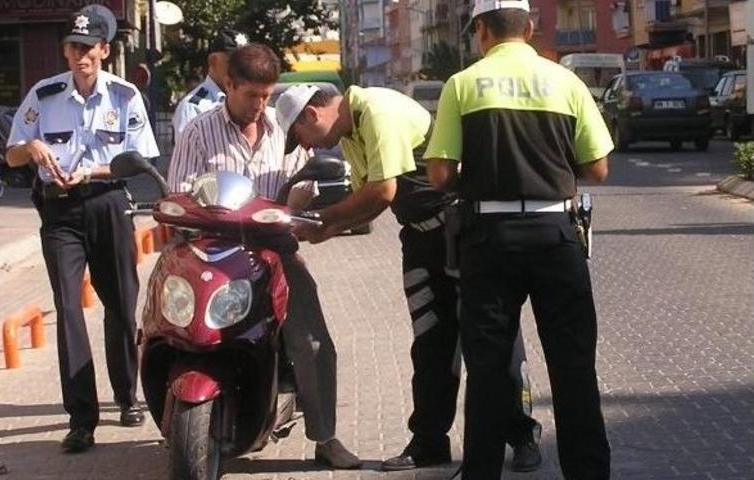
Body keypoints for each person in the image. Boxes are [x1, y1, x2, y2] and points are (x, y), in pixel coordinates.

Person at [275, 83, 543, 473]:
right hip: (420, 238)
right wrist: (324, 229)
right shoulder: (351, 132)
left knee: (493, 337)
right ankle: (429, 442)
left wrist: (325, 222)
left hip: (463, 234)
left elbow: (383, 191)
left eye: (300, 137)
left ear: (311, 115)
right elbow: (367, 201)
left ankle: (521, 436)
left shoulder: (378, 110)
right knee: (431, 341)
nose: (310, 149)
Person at [423, 0, 612, 477]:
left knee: (487, 372)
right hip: (556, 234)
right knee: (574, 370)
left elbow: (441, 173)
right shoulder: (565, 80)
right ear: (529, 28)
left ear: (481, 30)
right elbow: (598, 167)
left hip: (490, 239)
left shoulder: (462, 85)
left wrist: (487, 174)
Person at [166, 43, 361, 470]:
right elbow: (178, 195)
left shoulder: (282, 129)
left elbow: (305, 185)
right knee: (166, 321)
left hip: (274, 247)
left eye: (266, 95)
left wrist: (303, 206)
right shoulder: (198, 132)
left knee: (311, 339)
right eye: (250, 94)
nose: (259, 105)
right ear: (229, 85)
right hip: (211, 251)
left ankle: (326, 438)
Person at [5, 4, 159, 454]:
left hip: (108, 204)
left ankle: (128, 396)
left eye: (88, 48)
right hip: (60, 214)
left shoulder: (126, 96)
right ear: (65, 51)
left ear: (104, 50)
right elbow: (12, 153)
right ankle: (81, 419)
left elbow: (140, 160)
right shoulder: (45, 94)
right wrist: (31, 147)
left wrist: (92, 173)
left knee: (120, 304)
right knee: (68, 311)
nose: (81, 56)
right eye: (73, 47)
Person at [170, 29, 247, 137]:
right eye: (233, 62)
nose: (240, 69)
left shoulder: (247, 100)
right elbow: (188, 152)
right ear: (213, 62)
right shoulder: (194, 106)